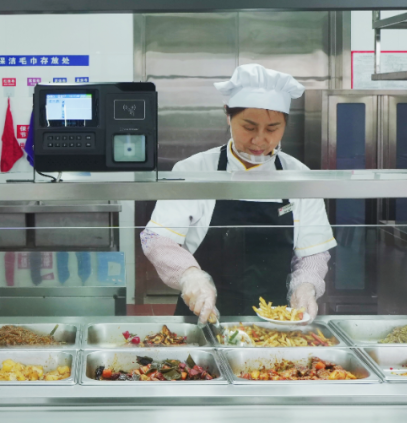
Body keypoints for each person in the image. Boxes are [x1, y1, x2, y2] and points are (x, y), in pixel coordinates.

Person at [140, 64, 335, 323]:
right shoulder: (193, 170)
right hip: (202, 316)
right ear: (228, 115)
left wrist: (306, 285)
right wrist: (190, 276)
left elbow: (313, 252)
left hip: (275, 324)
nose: (260, 140)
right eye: (249, 127)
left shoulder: (299, 177)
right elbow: (157, 239)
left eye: (272, 129)